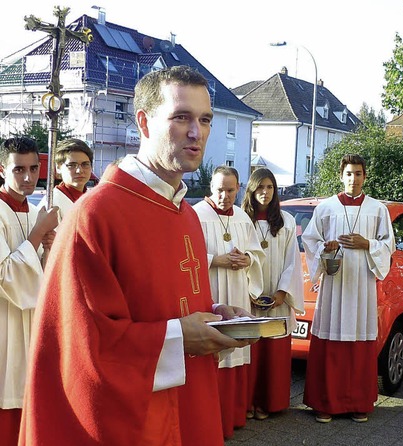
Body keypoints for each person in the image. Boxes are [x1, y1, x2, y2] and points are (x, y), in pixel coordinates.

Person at [19, 65, 253, 446]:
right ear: (144, 122)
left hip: (189, 404)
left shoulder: (187, 215)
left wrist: (217, 315)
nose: (197, 132)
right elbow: (83, 348)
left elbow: (166, 303)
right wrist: (180, 337)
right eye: (181, 117)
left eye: (205, 119)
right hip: (133, 425)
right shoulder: (95, 216)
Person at [301, 153, 395, 423]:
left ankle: (358, 402)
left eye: (359, 174)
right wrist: (325, 247)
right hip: (335, 283)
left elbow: (388, 245)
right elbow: (310, 239)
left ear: (365, 176)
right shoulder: (326, 207)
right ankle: (325, 403)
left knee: (359, 339)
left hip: (362, 283)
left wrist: (368, 244)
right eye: (349, 174)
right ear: (341, 176)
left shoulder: (377, 209)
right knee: (331, 338)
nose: (354, 179)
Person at [193, 165, 265, 439]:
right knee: (213, 353)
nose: (225, 196)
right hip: (209, 294)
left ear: (238, 189)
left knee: (235, 352)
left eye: (230, 190)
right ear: (211, 187)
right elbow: (184, 256)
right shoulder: (196, 215)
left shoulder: (243, 218)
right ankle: (211, 423)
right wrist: (215, 260)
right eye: (220, 190)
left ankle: (234, 415)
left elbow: (256, 254)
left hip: (236, 291)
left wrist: (247, 259)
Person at [0, 137, 58, 445]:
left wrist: (48, 248)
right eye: (18, 169)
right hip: (5, 322)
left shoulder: (34, 210)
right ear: (2, 170)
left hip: (32, 320)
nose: (27, 177)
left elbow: (40, 277)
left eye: (34, 168)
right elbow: (6, 275)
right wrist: (36, 235)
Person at [241, 168, 304, 420]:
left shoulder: (286, 221)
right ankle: (249, 402)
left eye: (269, 188)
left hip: (277, 296)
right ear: (251, 190)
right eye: (259, 188)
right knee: (252, 351)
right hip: (249, 296)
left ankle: (270, 402)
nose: (264, 193)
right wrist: (249, 292)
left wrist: (281, 292)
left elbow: (293, 261)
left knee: (274, 352)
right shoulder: (242, 220)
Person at [37, 138, 94, 220]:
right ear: (58, 167)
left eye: (85, 164)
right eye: (72, 165)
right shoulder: (51, 203)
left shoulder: (92, 199)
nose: (79, 171)